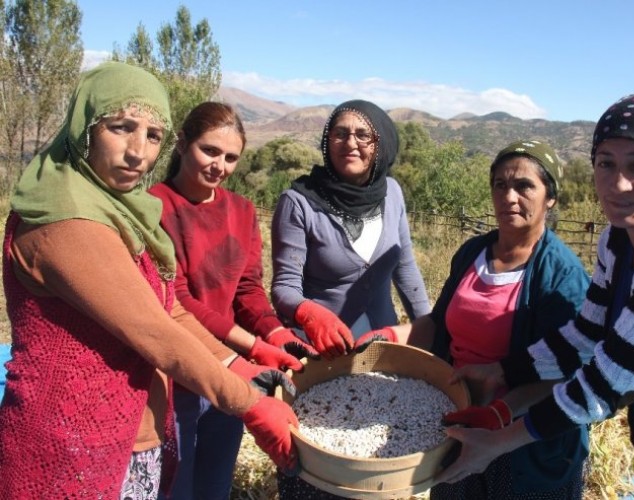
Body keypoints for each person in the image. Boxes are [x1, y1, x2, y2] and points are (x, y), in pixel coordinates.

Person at [0, 62, 299, 499]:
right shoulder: (65, 220)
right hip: (70, 439)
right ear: (85, 126)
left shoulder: (125, 210)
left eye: (152, 135)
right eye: (121, 128)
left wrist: (241, 363)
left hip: (128, 427)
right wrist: (250, 403)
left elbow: (167, 307)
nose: (138, 152)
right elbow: (152, 330)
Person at [437, 93, 634, 499]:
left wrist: (498, 440)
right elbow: (585, 334)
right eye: (606, 163)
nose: (618, 183)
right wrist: (501, 372)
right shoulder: (618, 241)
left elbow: (606, 384)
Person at [356, 140, 590, 498]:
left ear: (550, 198)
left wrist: (500, 413)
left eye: (525, 186)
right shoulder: (473, 253)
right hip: (460, 420)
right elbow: (437, 325)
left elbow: (565, 372)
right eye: (500, 185)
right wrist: (389, 335)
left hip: (524, 440)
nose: (509, 196)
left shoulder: (561, 275)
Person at [148, 101, 317, 500]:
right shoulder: (155, 208)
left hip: (233, 371)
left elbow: (247, 289)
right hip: (177, 372)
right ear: (182, 143)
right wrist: (253, 345)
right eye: (209, 150)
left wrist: (276, 335)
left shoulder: (240, 210)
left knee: (215, 481)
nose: (219, 166)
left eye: (230, 158)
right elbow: (178, 300)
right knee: (176, 484)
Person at [270, 99, 431, 498]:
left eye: (363, 135)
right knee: (317, 460)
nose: (350, 143)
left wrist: (432, 329)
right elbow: (284, 287)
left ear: (382, 144)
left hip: (381, 347)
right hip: (319, 353)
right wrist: (309, 314)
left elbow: (405, 268)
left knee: (375, 454)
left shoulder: (392, 193)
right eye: (340, 133)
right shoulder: (300, 202)